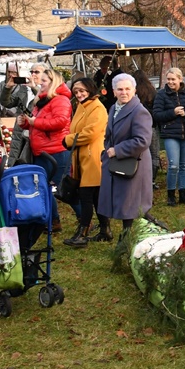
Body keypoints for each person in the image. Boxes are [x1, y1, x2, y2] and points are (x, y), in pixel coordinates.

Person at [98, 73, 153, 241]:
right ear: (113, 91)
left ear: (134, 90)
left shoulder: (139, 112)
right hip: (117, 162)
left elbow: (142, 141)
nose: (124, 92)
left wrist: (118, 150)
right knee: (124, 200)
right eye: (120, 89)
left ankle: (128, 239)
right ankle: (127, 236)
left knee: (131, 203)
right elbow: (109, 134)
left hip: (134, 162)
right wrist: (106, 152)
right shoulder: (114, 108)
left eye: (128, 89)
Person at [17, 63, 71, 231]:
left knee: (63, 191)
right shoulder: (41, 101)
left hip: (56, 151)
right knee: (43, 187)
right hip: (41, 151)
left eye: (44, 80)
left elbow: (60, 122)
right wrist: (26, 123)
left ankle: (85, 218)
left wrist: (35, 122)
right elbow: (38, 125)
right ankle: (54, 221)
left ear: (53, 81)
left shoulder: (60, 100)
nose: (40, 82)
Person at [61, 77, 107, 247]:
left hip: (93, 157)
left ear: (90, 90)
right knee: (95, 197)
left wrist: (68, 140)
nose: (79, 94)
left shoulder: (97, 108)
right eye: (76, 92)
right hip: (84, 157)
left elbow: (91, 133)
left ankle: (82, 233)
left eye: (82, 91)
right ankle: (105, 230)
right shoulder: (83, 106)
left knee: (86, 196)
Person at [153, 67, 185, 206]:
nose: (170, 82)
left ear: (180, 79)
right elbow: (156, 114)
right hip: (170, 133)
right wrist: (173, 112)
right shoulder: (161, 94)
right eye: (168, 79)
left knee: (183, 165)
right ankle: (170, 195)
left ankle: (183, 193)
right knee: (173, 165)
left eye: (173, 79)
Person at [131, 70, 160, 189]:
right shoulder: (152, 91)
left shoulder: (133, 93)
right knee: (154, 154)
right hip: (151, 126)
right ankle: (151, 180)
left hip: (138, 127)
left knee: (140, 154)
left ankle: (140, 179)